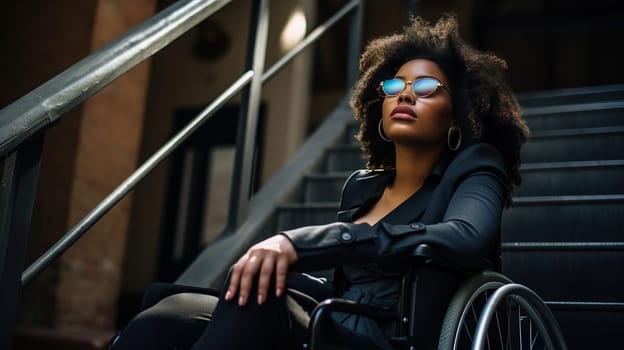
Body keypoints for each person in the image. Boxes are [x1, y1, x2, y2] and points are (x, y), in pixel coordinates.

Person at [110, 15, 528, 350]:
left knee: (257, 305)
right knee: (172, 309)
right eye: (395, 85)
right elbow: (343, 284)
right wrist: (278, 265)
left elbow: (464, 236)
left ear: (456, 115)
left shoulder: (475, 166)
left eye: (424, 87)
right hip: (332, 316)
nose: (405, 94)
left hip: (393, 337)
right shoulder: (362, 188)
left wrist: (301, 243)